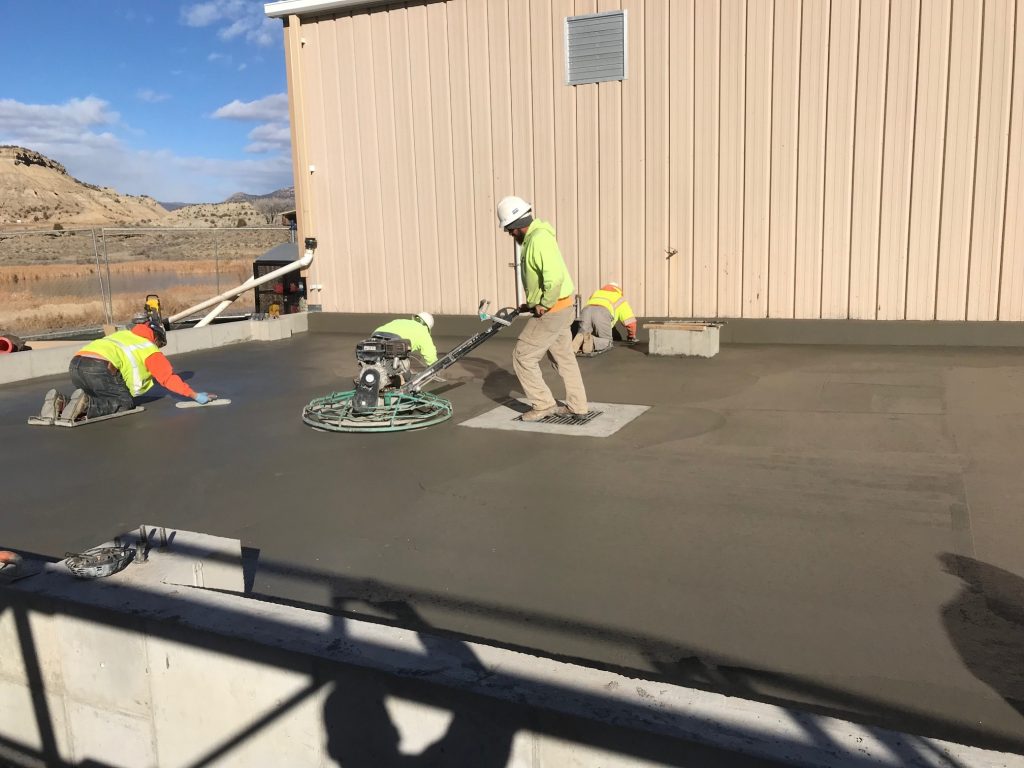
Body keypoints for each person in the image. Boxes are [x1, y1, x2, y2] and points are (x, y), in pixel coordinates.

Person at [496, 195, 588, 421]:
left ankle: (543, 404)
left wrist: (543, 304)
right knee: (563, 357)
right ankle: (578, 405)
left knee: (523, 356)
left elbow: (553, 278)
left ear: (517, 225)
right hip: (563, 307)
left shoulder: (538, 240)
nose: (509, 234)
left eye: (509, 229)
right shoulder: (538, 237)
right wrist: (532, 302)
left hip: (553, 310)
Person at [37, 314, 213, 424]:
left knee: (102, 397)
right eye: (159, 343)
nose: (158, 347)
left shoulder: (123, 335)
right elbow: (168, 378)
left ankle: (60, 402)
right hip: (99, 367)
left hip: (76, 364)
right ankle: (86, 404)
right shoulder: (148, 348)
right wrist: (195, 396)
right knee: (124, 403)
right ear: (157, 336)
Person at [573, 282, 638, 355]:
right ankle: (592, 341)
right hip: (602, 313)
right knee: (607, 342)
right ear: (619, 291)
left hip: (586, 311)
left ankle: (577, 342)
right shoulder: (619, 297)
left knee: (583, 334)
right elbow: (631, 322)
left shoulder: (596, 293)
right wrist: (631, 336)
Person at [372, 312, 438, 365]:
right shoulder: (423, 330)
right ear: (427, 326)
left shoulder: (400, 321)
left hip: (376, 335)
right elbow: (430, 353)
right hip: (396, 341)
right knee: (404, 364)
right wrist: (434, 365)